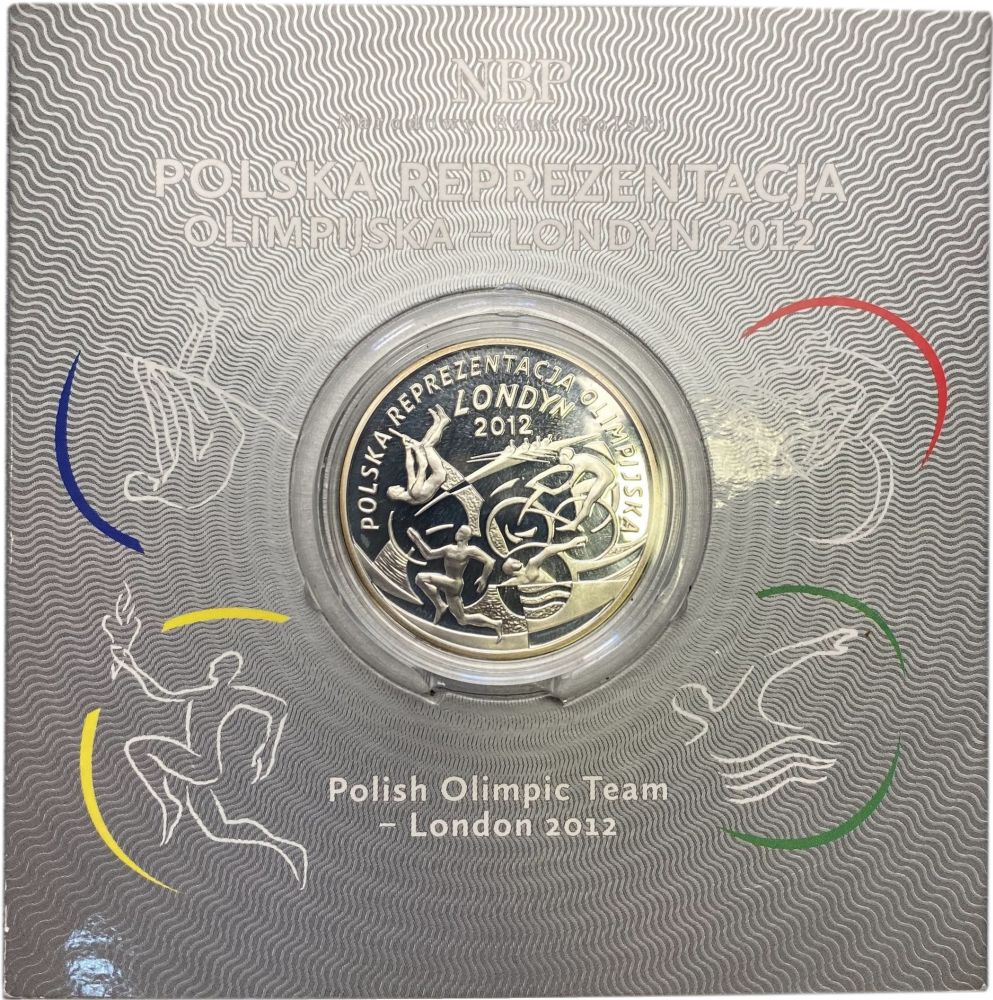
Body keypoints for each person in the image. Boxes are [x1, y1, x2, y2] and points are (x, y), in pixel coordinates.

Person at [101, 594, 307, 887]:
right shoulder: (203, 693)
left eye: (221, 664)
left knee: (139, 747)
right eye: (218, 664)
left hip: (200, 765)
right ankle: (287, 848)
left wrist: (267, 749)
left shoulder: (231, 695)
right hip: (194, 767)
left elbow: (278, 708)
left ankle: (169, 803)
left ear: (225, 672)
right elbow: (160, 694)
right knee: (219, 829)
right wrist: (131, 665)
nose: (215, 667)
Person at [407, 525, 503, 639]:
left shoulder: (470, 550)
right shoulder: (449, 549)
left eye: (461, 532)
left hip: (454, 584)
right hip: (447, 582)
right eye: (458, 531)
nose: (457, 533)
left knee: (420, 578)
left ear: (467, 537)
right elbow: (429, 554)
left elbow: (490, 561)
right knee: (462, 619)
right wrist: (417, 540)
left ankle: (440, 605)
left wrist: (484, 578)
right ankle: (495, 624)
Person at [528, 447, 617, 531]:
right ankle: (578, 515)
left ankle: (575, 524)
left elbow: (570, 483)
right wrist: (535, 480)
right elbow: (557, 469)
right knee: (575, 490)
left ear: (566, 457)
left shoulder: (578, 463)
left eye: (560, 456)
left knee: (588, 502)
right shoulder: (574, 460)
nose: (558, 458)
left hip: (605, 478)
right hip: (602, 475)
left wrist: (556, 490)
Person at [387, 406, 452, 505]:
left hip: (437, 475)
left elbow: (410, 468)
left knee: (422, 446)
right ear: (396, 494)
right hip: (439, 473)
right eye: (395, 488)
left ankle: (436, 423)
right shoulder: (415, 492)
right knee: (427, 446)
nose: (398, 486)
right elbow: (423, 466)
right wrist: (416, 449)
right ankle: (443, 422)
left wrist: (408, 448)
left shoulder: (411, 494)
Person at [501, 535, 587, 587]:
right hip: (558, 588)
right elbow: (547, 551)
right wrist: (569, 544)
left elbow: (503, 585)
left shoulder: (518, 580)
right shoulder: (531, 565)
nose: (518, 560)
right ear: (513, 568)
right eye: (514, 562)